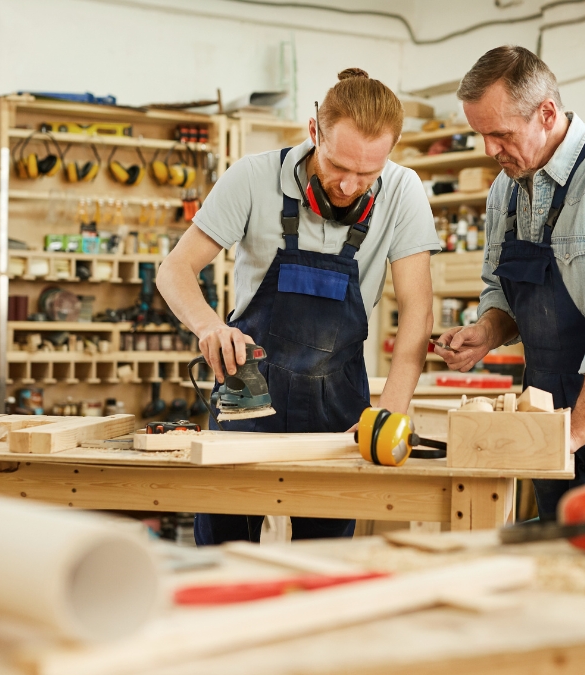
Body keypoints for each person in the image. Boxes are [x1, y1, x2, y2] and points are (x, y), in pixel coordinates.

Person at [157, 68, 440, 544]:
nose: (350, 186)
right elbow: (175, 270)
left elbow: (418, 311)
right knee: (226, 558)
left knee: (324, 560)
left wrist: (392, 408)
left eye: (367, 173)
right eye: (338, 167)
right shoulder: (253, 177)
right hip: (249, 393)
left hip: (339, 410)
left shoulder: (403, 190)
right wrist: (208, 326)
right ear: (314, 133)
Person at [437, 45, 585, 520]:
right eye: (480, 135)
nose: (489, 150)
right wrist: (486, 332)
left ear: (546, 112)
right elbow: (502, 291)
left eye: (500, 133)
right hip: (547, 404)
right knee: (558, 548)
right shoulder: (504, 189)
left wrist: (573, 435)